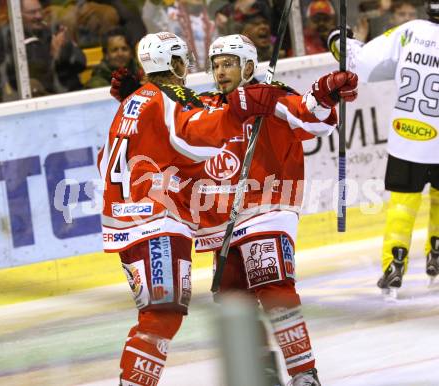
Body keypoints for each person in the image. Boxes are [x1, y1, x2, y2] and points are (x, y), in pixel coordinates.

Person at [110, 33, 358, 386]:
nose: (221, 71)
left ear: (250, 66)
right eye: (216, 64)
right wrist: (141, 93)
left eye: (229, 63)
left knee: (275, 289)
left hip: (266, 209)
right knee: (232, 300)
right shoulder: (208, 102)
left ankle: (304, 374)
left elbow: (312, 117)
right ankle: (263, 367)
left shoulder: (271, 96)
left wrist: (326, 90)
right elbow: (173, 125)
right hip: (223, 224)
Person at [99, 31, 283, 386]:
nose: (189, 67)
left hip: (127, 223)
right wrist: (237, 111)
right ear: (176, 63)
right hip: (156, 222)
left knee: (159, 313)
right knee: (161, 314)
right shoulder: (174, 97)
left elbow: (103, 161)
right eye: (184, 59)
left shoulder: (133, 100)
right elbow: (200, 139)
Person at [327, 0, 439, 298]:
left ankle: (395, 264)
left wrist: (340, 39)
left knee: (403, 205)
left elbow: (358, 61)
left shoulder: (411, 32)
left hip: (408, 139)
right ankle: (437, 256)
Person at [5, 0, 86, 96]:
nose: (39, 16)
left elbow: (81, 63)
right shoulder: (11, 41)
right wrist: (54, 57)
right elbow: (34, 76)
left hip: (74, 94)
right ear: (17, 15)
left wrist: (65, 49)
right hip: (43, 99)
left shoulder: (52, 31)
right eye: (32, 12)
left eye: (40, 11)